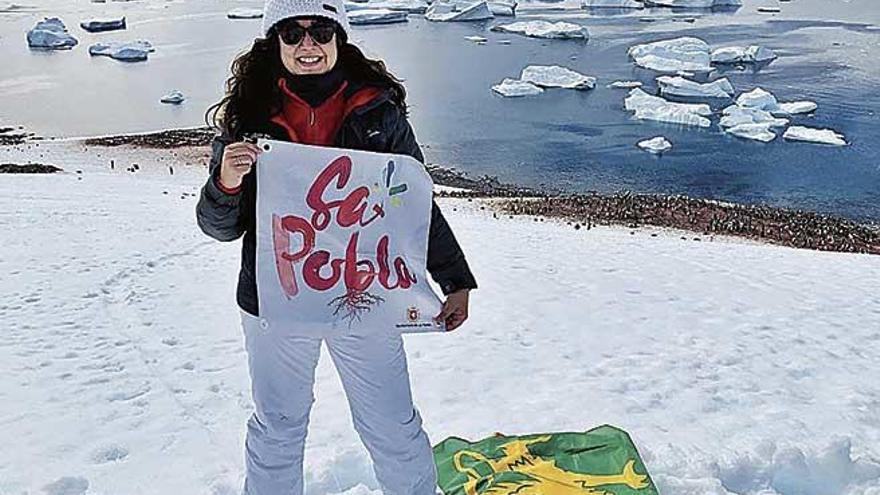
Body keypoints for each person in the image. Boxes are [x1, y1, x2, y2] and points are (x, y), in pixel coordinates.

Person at [195, 0, 478, 492]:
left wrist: (455, 279)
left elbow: (413, 206)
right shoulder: (248, 118)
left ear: (339, 37)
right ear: (274, 41)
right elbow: (219, 227)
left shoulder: (377, 110)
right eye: (293, 33)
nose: (308, 45)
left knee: (392, 425)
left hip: (362, 296)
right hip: (275, 302)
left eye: (321, 31)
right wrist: (226, 181)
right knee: (278, 427)